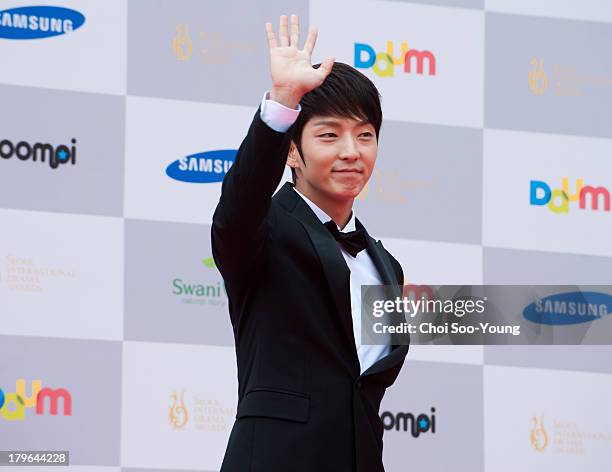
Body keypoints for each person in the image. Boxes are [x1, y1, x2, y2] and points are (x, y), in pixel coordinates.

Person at [212, 13, 409, 472]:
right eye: (329, 135)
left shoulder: (386, 266)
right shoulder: (264, 232)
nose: (350, 151)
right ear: (292, 151)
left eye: (365, 135)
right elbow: (237, 209)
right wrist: (282, 102)